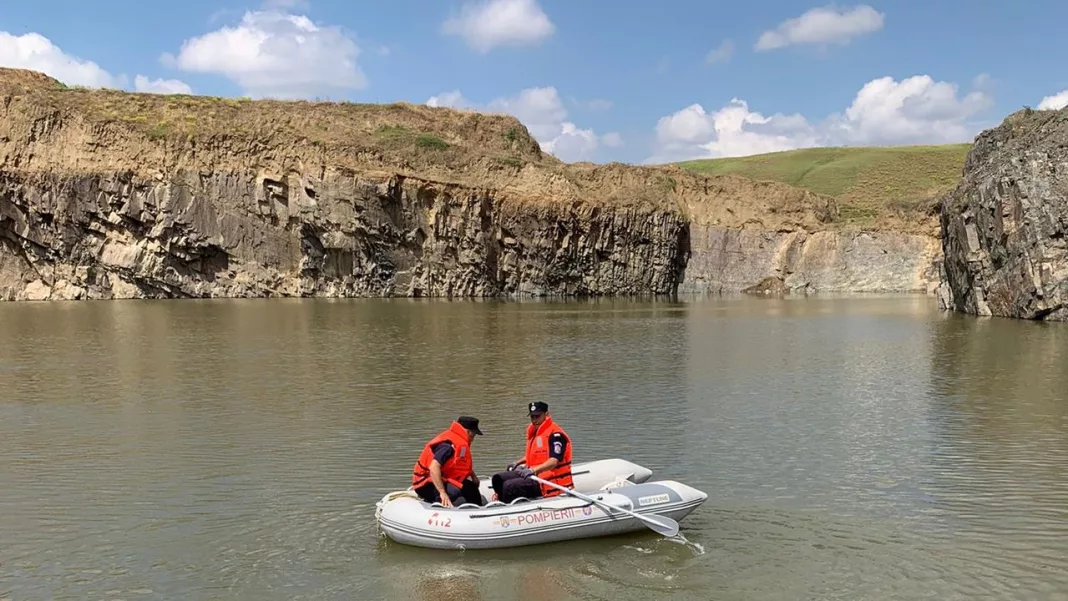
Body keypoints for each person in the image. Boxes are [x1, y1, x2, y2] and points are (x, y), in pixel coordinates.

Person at [491, 401, 573, 503]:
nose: (534, 420)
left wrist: (533, 470)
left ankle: (509, 509)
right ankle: (501, 502)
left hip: (548, 480)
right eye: (532, 417)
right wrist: (518, 462)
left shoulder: (556, 435)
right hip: (535, 474)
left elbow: (553, 461)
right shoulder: (536, 432)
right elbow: (537, 454)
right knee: (498, 479)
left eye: (537, 416)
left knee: (510, 486)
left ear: (546, 414)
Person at [411, 416, 485, 508]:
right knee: (454, 492)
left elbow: (461, 462)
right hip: (425, 483)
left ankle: (479, 509)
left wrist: (473, 476)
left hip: (443, 477)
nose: (473, 439)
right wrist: (442, 492)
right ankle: (437, 504)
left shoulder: (460, 443)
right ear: (467, 432)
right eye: (473, 435)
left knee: (471, 487)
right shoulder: (447, 446)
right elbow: (433, 468)